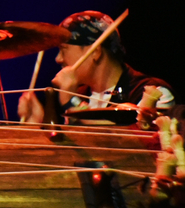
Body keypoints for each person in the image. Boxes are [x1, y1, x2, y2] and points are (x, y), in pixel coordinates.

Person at [17, 10, 175, 128]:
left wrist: (71, 104)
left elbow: (128, 143)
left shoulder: (153, 92)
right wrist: (36, 126)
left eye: (63, 49)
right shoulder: (81, 95)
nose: (58, 59)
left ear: (95, 52)